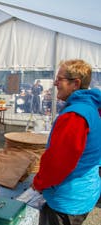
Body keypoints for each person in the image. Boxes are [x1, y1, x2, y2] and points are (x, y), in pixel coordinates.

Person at [32, 59, 101, 225]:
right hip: (85, 190)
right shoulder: (91, 108)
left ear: (75, 83)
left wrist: (39, 182)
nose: (55, 83)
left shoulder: (74, 116)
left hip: (68, 198)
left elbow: (58, 162)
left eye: (59, 79)